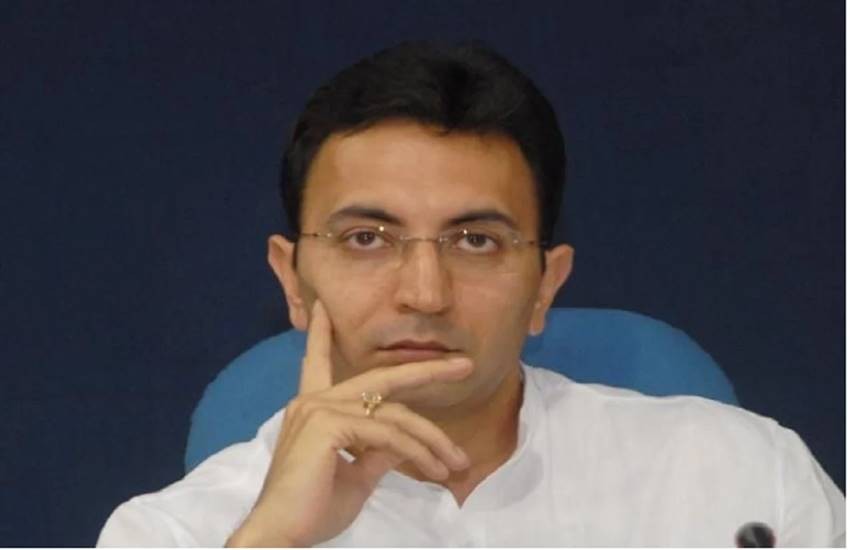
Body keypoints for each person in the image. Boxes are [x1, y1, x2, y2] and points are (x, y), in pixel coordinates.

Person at [97, 40, 844, 547]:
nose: (425, 293)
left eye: (476, 241)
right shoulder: (178, 533)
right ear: (292, 280)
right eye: (367, 239)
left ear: (546, 285)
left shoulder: (743, 478)